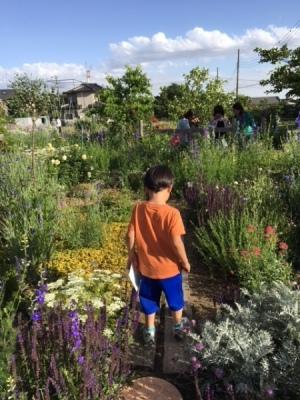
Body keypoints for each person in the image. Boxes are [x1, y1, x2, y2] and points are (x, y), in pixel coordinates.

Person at [127, 165, 191, 345]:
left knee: (148, 301)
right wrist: (185, 262)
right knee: (175, 300)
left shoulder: (138, 209)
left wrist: (131, 256)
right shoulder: (172, 214)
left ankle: (149, 331)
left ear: (146, 189)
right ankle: (178, 327)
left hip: (146, 269)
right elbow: (177, 242)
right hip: (170, 270)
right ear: (170, 188)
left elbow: (130, 235)